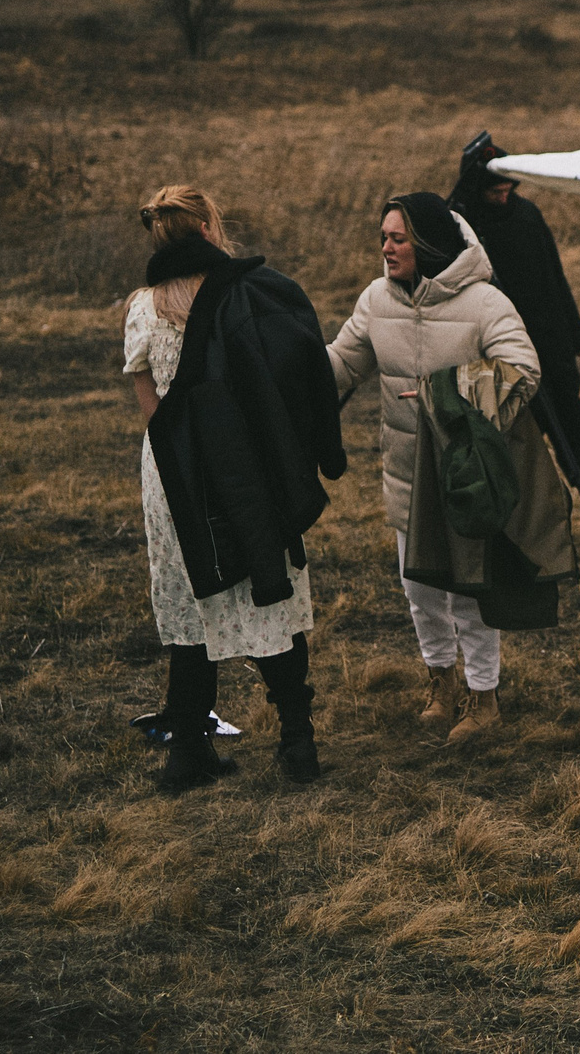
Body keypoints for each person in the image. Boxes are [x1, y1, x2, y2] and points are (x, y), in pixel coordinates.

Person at [127, 186, 346, 792]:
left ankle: (188, 754)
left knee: (192, 600)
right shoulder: (249, 293)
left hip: (175, 475)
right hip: (248, 466)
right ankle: (298, 744)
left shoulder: (142, 307)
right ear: (206, 227)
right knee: (266, 593)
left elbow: (154, 414)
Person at [328, 192, 539, 741]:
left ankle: (484, 700)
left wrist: (444, 396)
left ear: (426, 243)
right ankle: (440, 684)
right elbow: (341, 365)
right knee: (419, 589)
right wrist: (286, 358)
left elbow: (523, 370)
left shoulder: (485, 302)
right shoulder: (377, 300)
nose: (386, 248)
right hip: (406, 479)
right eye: (383, 237)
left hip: (465, 476)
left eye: (397, 238)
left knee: (468, 592)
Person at [452, 132, 580, 536]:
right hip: (501, 352)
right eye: (495, 189)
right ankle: (517, 523)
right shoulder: (462, 228)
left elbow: (554, 278)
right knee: (515, 441)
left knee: (570, 429)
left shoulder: (527, 215)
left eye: (508, 186)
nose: (504, 194)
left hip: (550, 343)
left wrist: (573, 335)